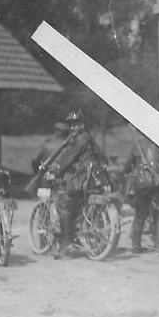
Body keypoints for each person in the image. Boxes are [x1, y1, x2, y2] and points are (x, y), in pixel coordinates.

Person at [45, 110, 105, 258]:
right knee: (76, 207)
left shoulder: (81, 140)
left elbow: (67, 158)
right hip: (93, 180)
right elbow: (103, 158)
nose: (72, 128)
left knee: (65, 206)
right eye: (71, 125)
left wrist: (54, 171)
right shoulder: (90, 139)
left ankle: (67, 246)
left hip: (82, 180)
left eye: (75, 125)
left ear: (82, 125)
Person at [123, 135, 159, 253]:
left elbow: (128, 166)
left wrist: (129, 171)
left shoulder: (137, 143)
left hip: (141, 184)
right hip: (156, 184)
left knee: (140, 213)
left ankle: (136, 244)